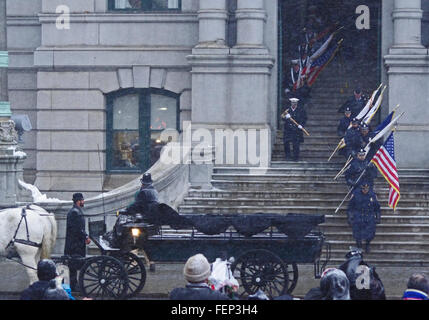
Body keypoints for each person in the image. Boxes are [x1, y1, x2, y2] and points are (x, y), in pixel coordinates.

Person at [64, 193, 91, 292]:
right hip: (74, 244)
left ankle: (73, 284)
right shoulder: (75, 212)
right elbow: (78, 229)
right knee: (73, 265)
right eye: (82, 200)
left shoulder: (75, 211)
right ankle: (73, 285)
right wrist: (86, 237)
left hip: (75, 243)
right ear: (78, 201)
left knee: (73, 265)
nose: (83, 202)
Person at [347, 182, 381, 253]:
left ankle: (367, 244)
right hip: (358, 215)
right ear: (361, 188)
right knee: (357, 233)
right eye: (363, 189)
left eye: (366, 189)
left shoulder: (372, 195)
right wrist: (350, 217)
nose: (365, 190)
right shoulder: (356, 195)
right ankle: (359, 246)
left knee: (370, 233)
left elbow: (377, 207)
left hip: (369, 216)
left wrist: (378, 217)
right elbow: (350, 207)